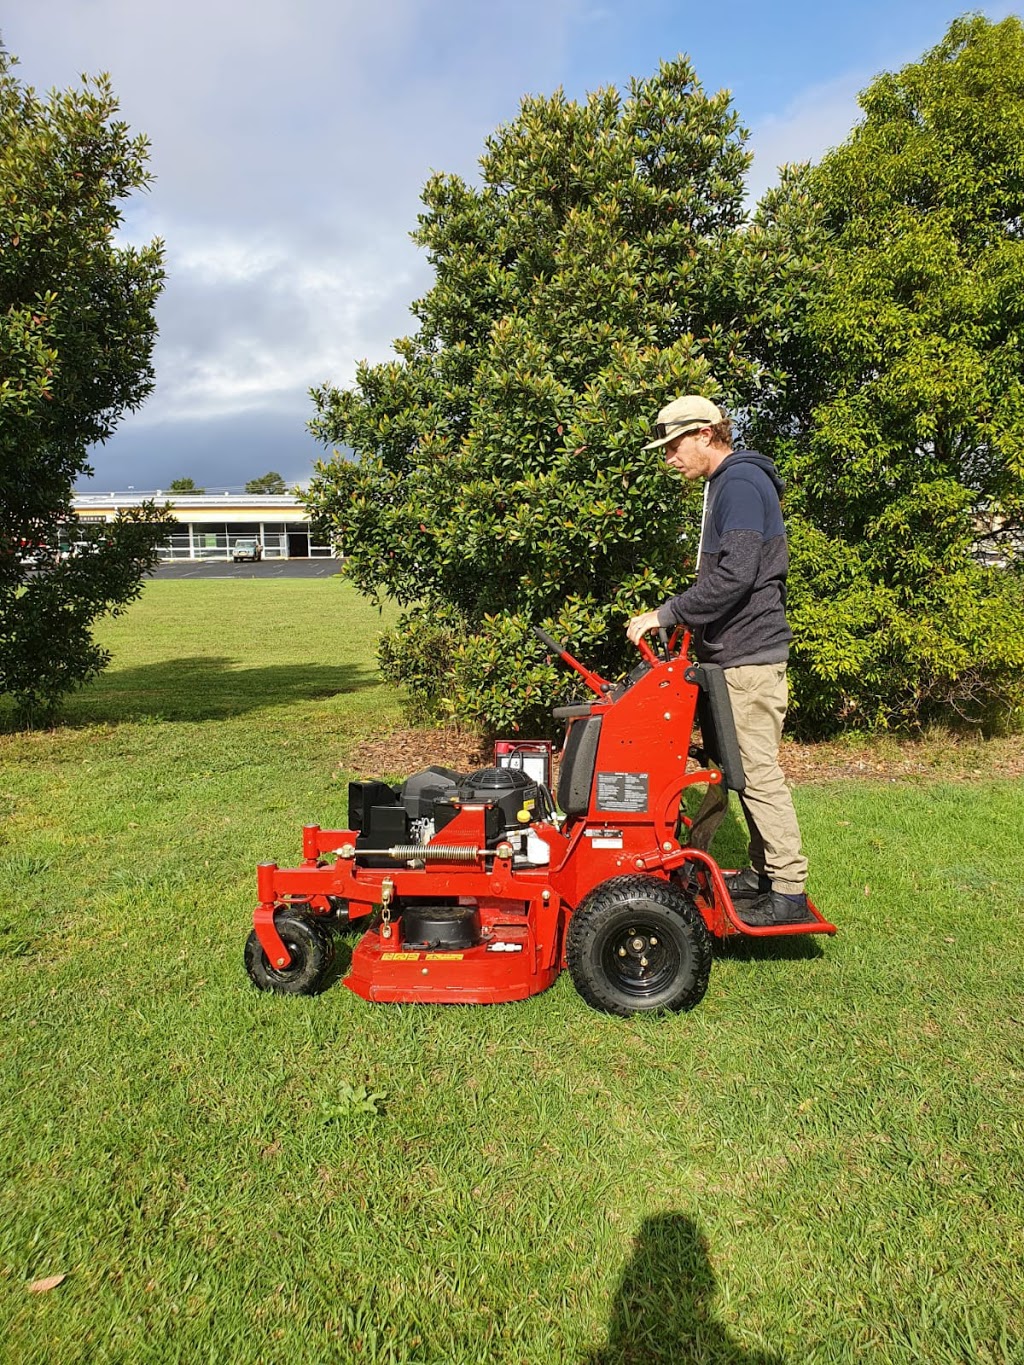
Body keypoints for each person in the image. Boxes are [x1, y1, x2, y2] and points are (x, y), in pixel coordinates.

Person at [625, 394, 811, 926]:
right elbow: (724, 576)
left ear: (706, 433)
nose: (668, 458)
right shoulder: (723, 485)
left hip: (749, 657)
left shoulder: (740, 483)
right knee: (734, 770)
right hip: (730, 654)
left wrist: (668, 613)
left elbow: (737, 576)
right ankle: (761, 873)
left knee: (756, 773)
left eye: (673, 445)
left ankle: (789, 889)